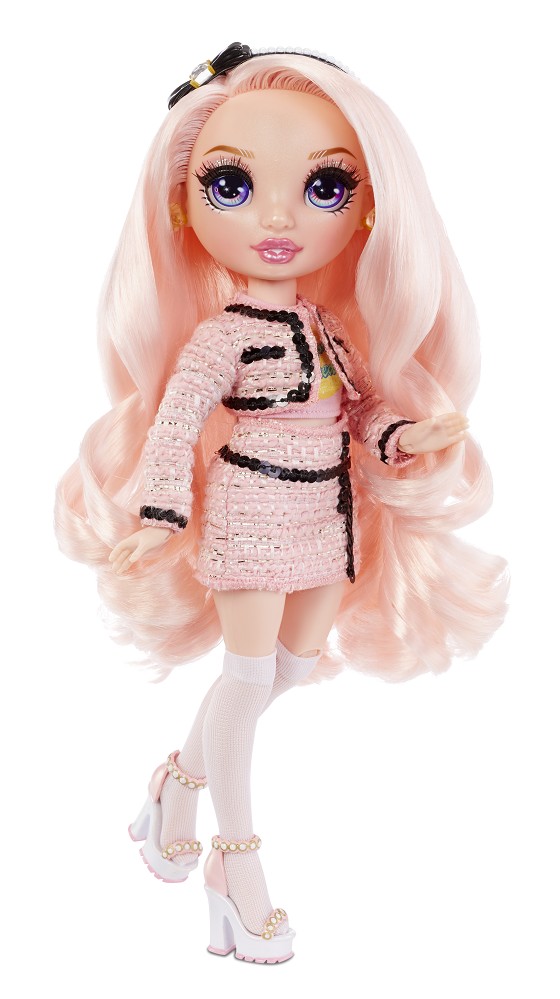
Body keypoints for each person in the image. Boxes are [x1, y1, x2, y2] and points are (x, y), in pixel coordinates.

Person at [55, 43, 508, 964]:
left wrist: (405, 437)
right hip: (250, 518)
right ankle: (237, 865)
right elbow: (176, 424)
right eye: (231, 185)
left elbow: (360, 412)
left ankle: (176, 782)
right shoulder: (223, 337)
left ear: (370, 206)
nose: (276, 217)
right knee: (248, 677)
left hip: (326, 520)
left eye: (324, 188)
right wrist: (160, 513)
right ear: (181, 207)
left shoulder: (327, 327)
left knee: (288, 673)